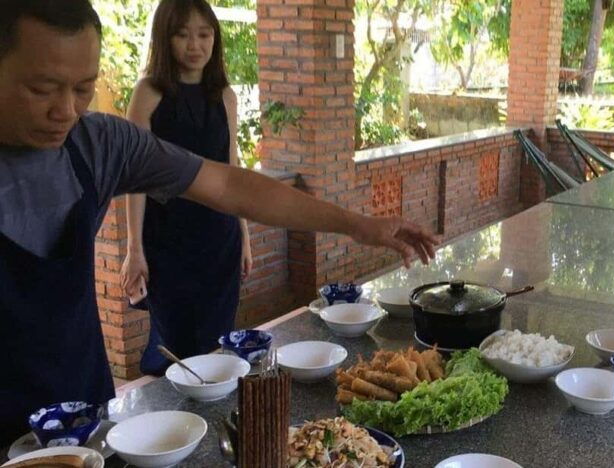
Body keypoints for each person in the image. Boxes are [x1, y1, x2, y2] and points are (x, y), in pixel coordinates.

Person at [0, 0, 437, 446]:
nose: (67, 111)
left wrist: (357, 224)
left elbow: (229, 185)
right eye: (42, 89)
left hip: (82, 415)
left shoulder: (98, 144)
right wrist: (137, 247)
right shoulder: (145, 96)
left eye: (83, 88)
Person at [120, 0, 254, 376]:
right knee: (172, 348)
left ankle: (211, 428)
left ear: (215, 39)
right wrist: (135, 249)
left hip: (219, 240)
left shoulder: (224, 95)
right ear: (166, 38)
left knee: (216, 347)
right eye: (182, 34)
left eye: (204, 34)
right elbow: (135, 176)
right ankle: (173, 429)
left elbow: (233, 169)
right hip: (167, 243)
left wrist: (243, 234)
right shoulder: (149, 92)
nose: (195, 45)